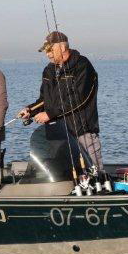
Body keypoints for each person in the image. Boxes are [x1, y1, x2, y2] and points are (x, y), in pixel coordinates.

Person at [18, 31, 103, 171]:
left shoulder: (83, 65)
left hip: (82, 133)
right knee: (63, 175)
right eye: (45, 51)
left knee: (94, 174)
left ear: (62, 48)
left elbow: (79, 99)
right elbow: (44, 100)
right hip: (58, 135)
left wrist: (50, 114)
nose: (47, 54)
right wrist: (30, 110)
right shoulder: (49, 70)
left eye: (50, 50)